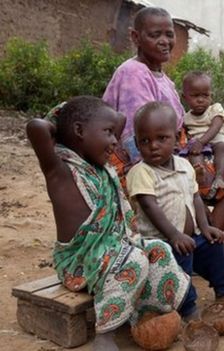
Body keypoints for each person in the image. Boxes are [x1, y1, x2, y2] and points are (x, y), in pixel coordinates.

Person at [102, 6, 224, 264]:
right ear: (136, 37)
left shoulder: (161, 76)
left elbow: (185, 123)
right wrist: (180, 167)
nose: (165, 41)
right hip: (152, 162)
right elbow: (138, 139)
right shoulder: (133, 73)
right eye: (155, 35)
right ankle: (204, 249)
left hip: (174, 148)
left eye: (169, 34)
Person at [27, 96, 190, 350]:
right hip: (78, 261)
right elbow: (37, 127)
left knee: (159, 249)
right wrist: (68, 118)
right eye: (108, 133)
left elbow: (119, 120)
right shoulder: (59, 169)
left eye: (115, 134)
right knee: (133, 260)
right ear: (79, 130)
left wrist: (99, 127)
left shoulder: (102, 169)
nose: (115, 141)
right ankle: (106, 332)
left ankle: (147, 315)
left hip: (113, 250)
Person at [126, 101, 224, 320]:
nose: (153, 146)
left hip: (190, 236)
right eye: (145, 141)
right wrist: (174, 235)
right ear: (136, 143)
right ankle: (188, 308)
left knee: (214, 244)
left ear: (177, 139)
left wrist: (205, 226)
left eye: (161, 138)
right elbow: (149, 205)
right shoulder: (141, 172)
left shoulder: (184, 167)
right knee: (180, 268)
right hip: (161, 244)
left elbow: (195, 199)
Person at [180, 71, 224, 198]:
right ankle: (200, 173)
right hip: (198, 143)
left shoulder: (215, 109)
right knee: (194, 153)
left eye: (205, 96)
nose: (200, 100)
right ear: (184, 97)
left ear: (211, 96)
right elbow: (185, 133)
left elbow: (217, 125)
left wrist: (201, 142)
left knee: (222, 147)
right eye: (195, 96)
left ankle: (219, 177)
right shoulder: (185, 118)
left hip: (216, 139)